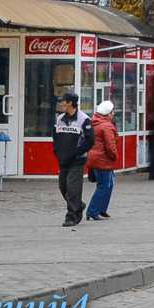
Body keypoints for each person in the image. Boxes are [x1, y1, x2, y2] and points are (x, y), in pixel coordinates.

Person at [52, 92, 94, 227]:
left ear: (70, 103)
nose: (61, 104)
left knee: (72, 188)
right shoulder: (60, 119)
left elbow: (90, 140)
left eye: (63, 101)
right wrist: (58, 151)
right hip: (64, 159)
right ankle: (79, 205)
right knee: (63, 187)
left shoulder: (84, 119)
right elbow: (55, 136)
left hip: (77, 160)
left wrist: (76, 152)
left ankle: (71, 215)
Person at [86, 100, 118, 221]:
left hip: (94, 157)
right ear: (108, 113)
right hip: (103, 159)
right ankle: (93, 211)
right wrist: (114, 156)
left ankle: (101, 209)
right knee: (104, 186)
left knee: (109, 185)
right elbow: (110, 145)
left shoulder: (94, 122)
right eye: (112, 112)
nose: (113, 114)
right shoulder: (107, 126)